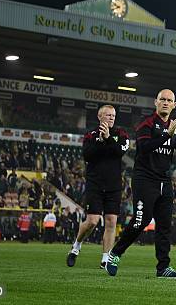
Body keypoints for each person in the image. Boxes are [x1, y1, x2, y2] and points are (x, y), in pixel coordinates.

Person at [106, 89, 176, 279]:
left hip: (164, 180)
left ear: (174, 105)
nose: (165, 102)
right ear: (155, 102)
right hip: (145, 178)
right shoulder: (146, 123)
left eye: (169, 100)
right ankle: (115, 253)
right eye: (162, 99)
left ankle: (163, 267)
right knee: (141, 221)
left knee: (164, 225)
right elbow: (144, 148)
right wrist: (167, 135)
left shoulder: (174, 126)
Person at [67, 104, 130, 269]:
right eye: (108, 115)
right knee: (92, 221)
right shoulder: (90, 135)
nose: (111, 118)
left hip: (114, 185)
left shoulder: (121, 133)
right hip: (95, 183)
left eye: (113, 115)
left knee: (111, 222)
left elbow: (120, 152)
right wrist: (100, 141)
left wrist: (108, 138)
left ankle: (105, 258)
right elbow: (87, 155)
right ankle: (76, 246)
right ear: (99, 116)